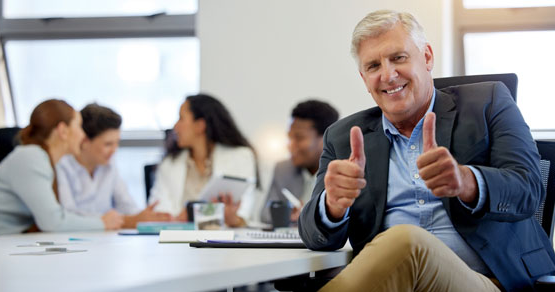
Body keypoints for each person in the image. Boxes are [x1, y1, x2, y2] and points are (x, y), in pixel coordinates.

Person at [298, 10, 555, 291]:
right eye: (373, 66)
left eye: (398, 58)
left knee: (406, 241)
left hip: (489, 281)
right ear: (364, 78)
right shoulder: (345, 137)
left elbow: (529, 190)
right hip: (397, 285)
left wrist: (467, 181)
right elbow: (313, 236)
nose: (387, 75)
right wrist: (332, 206)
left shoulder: (489, 102)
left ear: (428, 57)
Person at [0, 99, 124, 234]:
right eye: (79, 126)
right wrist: (102, 222)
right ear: (63, 131)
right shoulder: (31, 157)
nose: (83, 135)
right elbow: (53, 221)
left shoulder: (45, 160)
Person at [149, 94, 260, 227]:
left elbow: (244, 212)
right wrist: (178, 218)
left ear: (200, 126)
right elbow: (158, 210)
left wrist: (232, 218)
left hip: (225, 242)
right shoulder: (169, 164)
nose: (175, 126)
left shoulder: (241, 157)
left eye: (181, 119)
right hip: (179, 241)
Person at [56, 103, 172, 228]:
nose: (114, 150)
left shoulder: (109, 165)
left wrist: (144, 217)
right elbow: (67, 215)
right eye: (108, 144)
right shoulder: (62, 165)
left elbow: (127, 206)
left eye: (117, 143)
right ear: (84, 141)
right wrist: (124, 221)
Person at [260, 100, 338, 224]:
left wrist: (311, 215)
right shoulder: (283, 169)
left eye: (299, 138)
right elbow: (265, 214)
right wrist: (286, 214)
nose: (290, 146)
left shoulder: (344, 172)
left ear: (326, 138)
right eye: (290, 137)